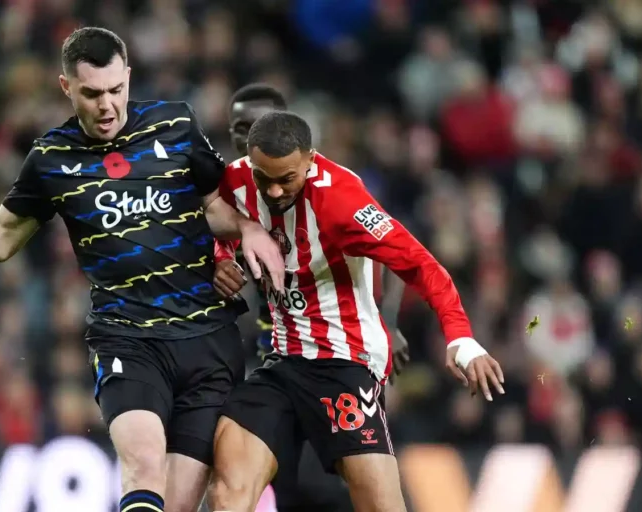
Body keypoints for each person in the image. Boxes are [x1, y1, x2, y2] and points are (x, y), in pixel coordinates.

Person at [0, 27, 284, 512]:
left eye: (115, 90)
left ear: (128, 78)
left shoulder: (175, 124)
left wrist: (248, 231)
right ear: (67, 87)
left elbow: (213, 206)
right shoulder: (51, 159)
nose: (107, 105)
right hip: (127, 338)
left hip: (206, 340)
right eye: (91, 93)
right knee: (144, 463)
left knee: (177, 504)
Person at [206, 111, 505, 512]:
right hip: (281, 362)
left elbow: (420, 264)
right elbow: (215, 224)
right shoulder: (239, 179)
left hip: (344, 363)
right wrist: (221, 260)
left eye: (286, 179)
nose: (274, 192)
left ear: (310, 160)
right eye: (266, 179)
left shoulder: (343, 200)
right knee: (228, 492)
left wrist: (461, 337)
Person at [211, 84, 411, 512]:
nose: (247, 139)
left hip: (334, 362)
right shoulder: (231, 191)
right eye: (238, 129)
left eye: (256, 127)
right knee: (274, 490)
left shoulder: (322, 189)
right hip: (271, 362)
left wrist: (384, 321)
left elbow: (385, 252)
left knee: (330, 493)